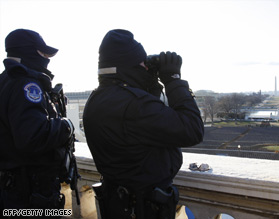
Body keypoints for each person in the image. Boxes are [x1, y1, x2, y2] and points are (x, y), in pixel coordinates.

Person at [83, 29, 204, 219]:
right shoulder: (135, 105)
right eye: (143, 63)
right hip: (144, 207)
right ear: (130, 65)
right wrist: (173, 81)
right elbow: (192, 130)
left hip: (116, 203)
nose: (146, 67)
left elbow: (145, 124)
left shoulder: (97, 98)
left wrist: (149, 82)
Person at [0, 29, 74, 214]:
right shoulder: (26, 84)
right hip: (28, 193)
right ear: (28, 51)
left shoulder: (6, 80)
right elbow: (32, 137)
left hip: (12, 187)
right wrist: (66, 126)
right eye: (43, 53)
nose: (47, 59)